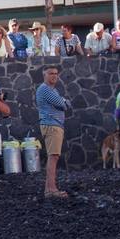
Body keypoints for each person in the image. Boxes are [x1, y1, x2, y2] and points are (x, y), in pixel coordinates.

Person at [35, 65, 72, 199]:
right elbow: (63, 104)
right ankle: (52, 189)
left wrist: (63, 101)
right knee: (53, 157)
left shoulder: (52, 90)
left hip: (53, 125)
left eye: (56, 73)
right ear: (44, 75)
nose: (54, 75)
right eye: (51, 73)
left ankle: (48, 189)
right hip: (52, 125)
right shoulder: (45, 89)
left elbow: (63, 103)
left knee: (53, 156)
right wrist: (63, 101)